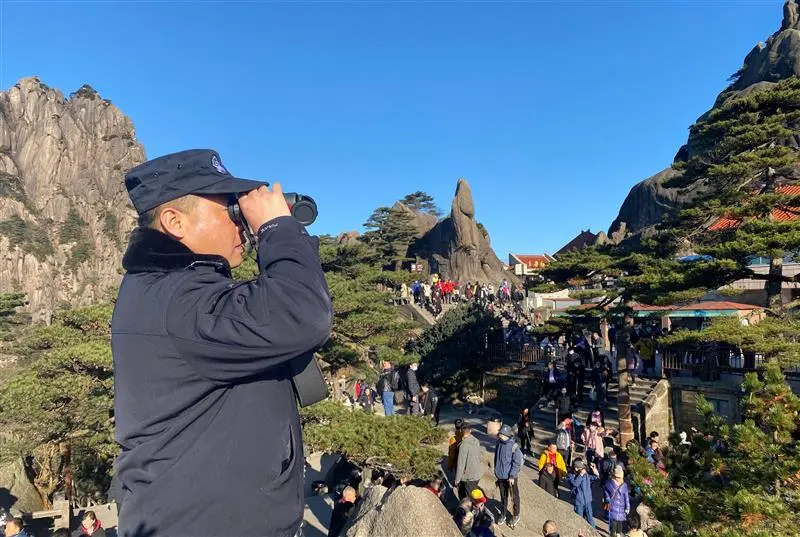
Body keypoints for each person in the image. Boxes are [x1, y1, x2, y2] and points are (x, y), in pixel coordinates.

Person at [111, 150, 332, 537]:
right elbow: (303, 313)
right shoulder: (179, 301)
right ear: (174, 222)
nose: (241, 223)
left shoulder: (165, 289)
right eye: (229, 209)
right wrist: (277, 227)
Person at [494, 424, 522, 528]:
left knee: (514, 497)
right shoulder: (499, 443)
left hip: (510, 477)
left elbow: (517, 462)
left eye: (500, 434)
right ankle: (503, 513)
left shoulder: (514, 446)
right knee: (503, 496)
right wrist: (496, 471)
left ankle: (516, 515)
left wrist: (512, 476)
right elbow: (496, 458)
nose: (499, 435)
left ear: (505, 434)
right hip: (500, 475)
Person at [567, 458, 599, 530]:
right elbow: (575, 484)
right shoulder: (571, 475)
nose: (584, 470)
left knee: (590, 519)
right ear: (576, 468)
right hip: (579, 501)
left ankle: (593, 533)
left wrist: (595, 471)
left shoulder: (585, 474)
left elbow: (596, 478)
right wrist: (581, 475)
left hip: (588, 500)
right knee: (579, 519)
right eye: (582, 468)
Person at [454, 424, 483, 500]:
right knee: (473, 495)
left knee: (469, 499)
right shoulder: (476, 441)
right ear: (470, 430)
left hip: (469, 478)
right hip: (477, 475)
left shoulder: (463, 446)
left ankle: (471, 510)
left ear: (461, 431)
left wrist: (457, 480)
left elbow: (461, 465)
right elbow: (480, 457)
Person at [604, 466, 630, 537]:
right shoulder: (609, 483)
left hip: (621, 508)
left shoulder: (624, 485)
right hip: (612, 507)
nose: (617, 478)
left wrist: (627, 507)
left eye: (619, 477)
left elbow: (626, 497)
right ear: (614, 475)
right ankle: (612, 535)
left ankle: (618, 534)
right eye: (616, 476)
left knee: (619, 525)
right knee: (613, 525)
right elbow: (606, 492)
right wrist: (607, 498)